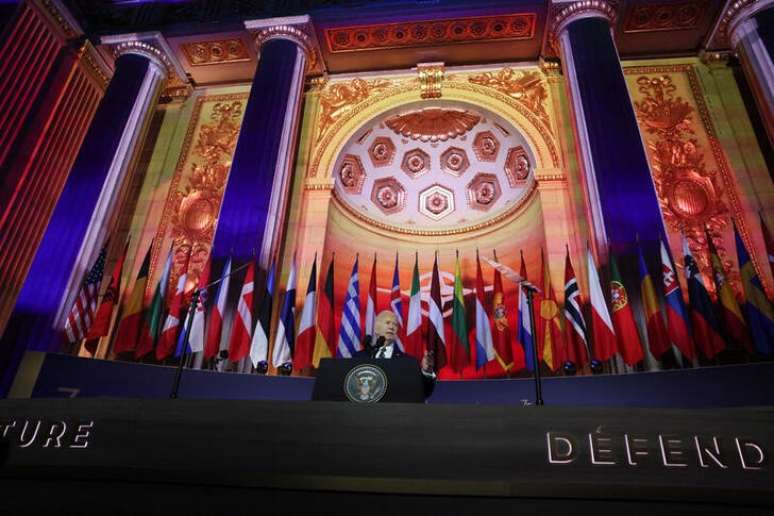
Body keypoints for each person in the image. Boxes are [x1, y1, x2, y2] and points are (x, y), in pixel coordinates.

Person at [357, 310, 436, 398]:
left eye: (395, 324)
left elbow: (423, 392)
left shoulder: (408, 362)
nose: (391, 327)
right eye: (387, 323)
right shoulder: (360, 357)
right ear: (376, 329)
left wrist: (427, 371)